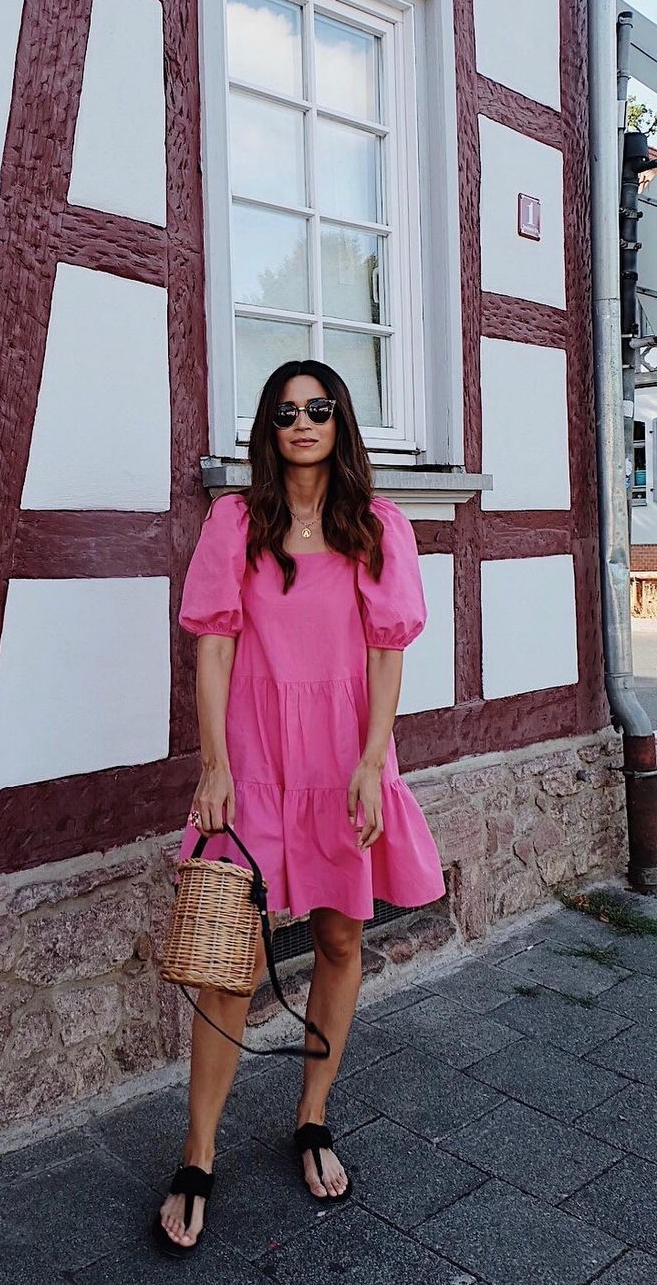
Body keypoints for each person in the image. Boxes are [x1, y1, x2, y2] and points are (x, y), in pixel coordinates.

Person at [155, 359, 446, 1255]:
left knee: (341, 939)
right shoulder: (236, 522)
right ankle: (198, 1153)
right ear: (269, 429)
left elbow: (388, 654)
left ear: (340, 420)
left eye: (319, 407)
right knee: (228, 962)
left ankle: (312, 1116)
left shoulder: (378, 525)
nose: (304, 422)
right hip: (252, 761)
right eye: (286, 412)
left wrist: (372, 763)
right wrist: (213, 768)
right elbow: (212, 647)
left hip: (344, 759)